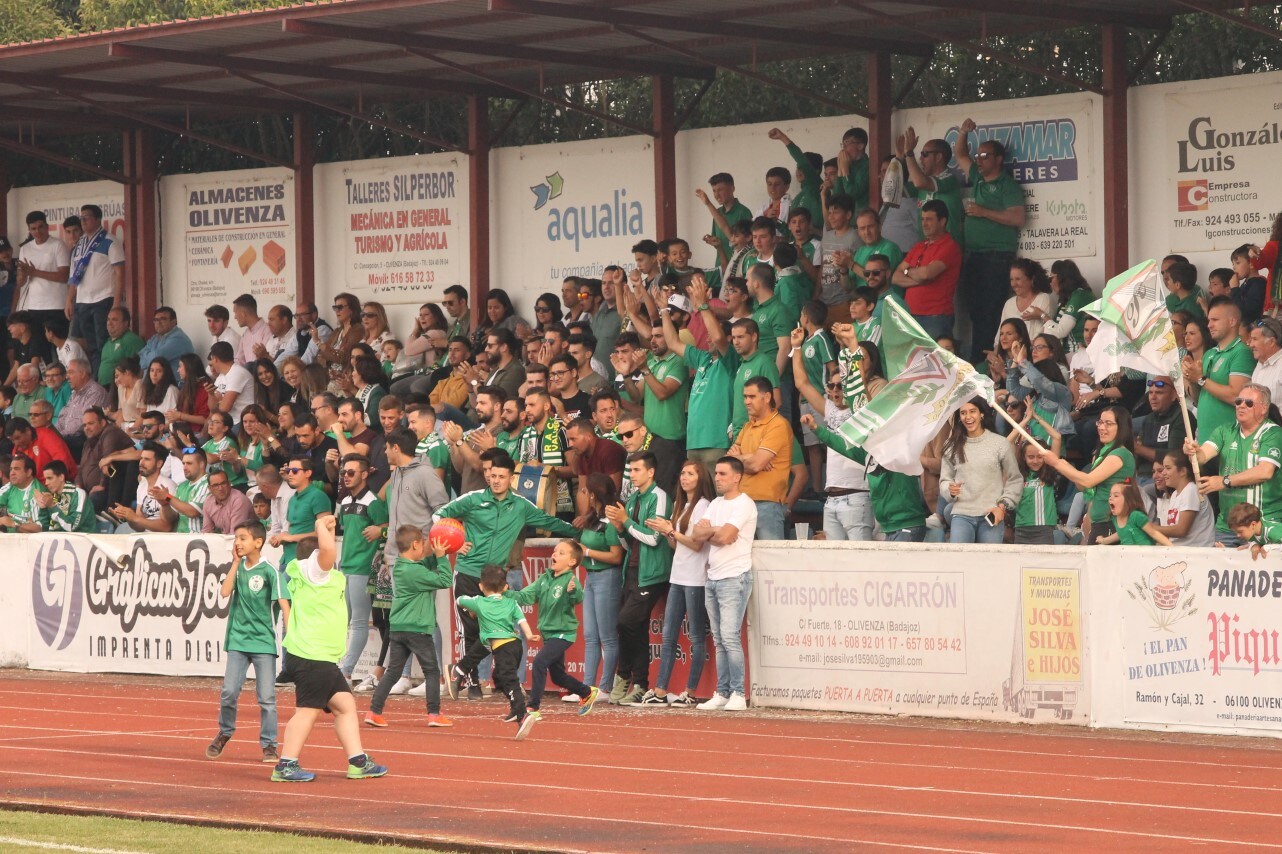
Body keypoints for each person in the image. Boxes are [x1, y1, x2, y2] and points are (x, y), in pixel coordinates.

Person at [438, 452, 578, 697]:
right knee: (470, 631)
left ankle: (461, 671)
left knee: (496, 631)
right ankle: (472, 684)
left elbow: (549, 521)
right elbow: (439, 516)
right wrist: (454, 544)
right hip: (468, 572)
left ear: (511, 478)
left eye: (501, 477)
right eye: (492, 475)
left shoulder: (521, 505)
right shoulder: (472, 499)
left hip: (495, 579)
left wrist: (582, 532)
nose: (496, 481)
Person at [272, 516, 387, 782]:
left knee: (345, 705)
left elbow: (327, 551)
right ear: (314, 556)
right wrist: (322, 529)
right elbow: (328, 552)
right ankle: (286, 765)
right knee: (307, 712)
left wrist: (327, 531)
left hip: (318, 656)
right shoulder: (317, 572)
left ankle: (358, 761)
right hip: (314, 655)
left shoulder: (311, 575)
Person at [206, 521, 288, 763]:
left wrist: (290, 635)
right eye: (236, 539)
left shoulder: (270, 571)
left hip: (263, 643)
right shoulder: (239, 568)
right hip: (238, 641)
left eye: (243, 538)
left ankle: (270, 745)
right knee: (229, 692)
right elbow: (224, 592)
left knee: (267, 698)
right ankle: (225, 731)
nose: (238, 543)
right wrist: (234, 563)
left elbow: (284, 604)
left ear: (258, 542)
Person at [363, 525, 454, 729]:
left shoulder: (404, 567)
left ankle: (374, 711)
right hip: (417, 628)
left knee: (393, 672)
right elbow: (446, 580)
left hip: (399, 628)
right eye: (422, 545)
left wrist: (435, 552)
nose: (424, 548)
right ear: (415, 544)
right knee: (432, 671)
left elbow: (424, 564)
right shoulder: (414, 571)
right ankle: (434, 714)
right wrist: (441, 558)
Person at [641, 460, 713, 706]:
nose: (684, 478)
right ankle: (661, 690)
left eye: (690, 474)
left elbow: (696, 544)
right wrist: (667, 531)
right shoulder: (681, 506)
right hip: (678, 575)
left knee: (695, 637)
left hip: (695, 578)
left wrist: (671, 531)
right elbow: (677, 545)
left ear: (700, 478)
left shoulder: (704, 506)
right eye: (682, 473)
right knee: (668, 635)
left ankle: (690, 692)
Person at [954, 120, 1027, 361]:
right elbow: (960, 153)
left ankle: (986, 364)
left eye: (985, 155)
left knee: (990, 314)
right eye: (979, 155)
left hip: (996, 257)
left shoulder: (1007, 185)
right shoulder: (976, 176)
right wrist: (963, 131)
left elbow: (1018, 217)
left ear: (998, 159)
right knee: (974, 314)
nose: (979, 159)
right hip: (973, 256)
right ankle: (979, 361)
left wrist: (984, 212)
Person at [604, 450, 672, 705]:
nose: (631, 475)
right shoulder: (632, 499)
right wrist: (621, 527)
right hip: (631, 570)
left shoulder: (660, 497)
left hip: (652, 572)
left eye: (636, 470)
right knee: (636, 626)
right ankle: (640, 682)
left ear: (650, 472)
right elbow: (627, 541)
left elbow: (655, 538)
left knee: (624, 622)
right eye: (630, 470)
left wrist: (626, 522)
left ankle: (624, 675)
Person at [690, 457, 756, 712]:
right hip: (713, 577)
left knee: (729, 637)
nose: (716, 477)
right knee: (719, 639)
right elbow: (697, 535)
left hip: (734, 576)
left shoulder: (745, 504)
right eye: (716, 473)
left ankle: (739, 693)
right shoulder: (716, 503)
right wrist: (714, 533)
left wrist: (711, 532)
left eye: (722, 473)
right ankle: (723, 691)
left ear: (737, 476)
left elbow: (728, 537)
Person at [1183, 382, 1282, 547]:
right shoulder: (1224, 431)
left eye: (1248, 403)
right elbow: (1202, 456)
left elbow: (1265, 471)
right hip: (1228, 527)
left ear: (1264, 408)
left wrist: (1223, 481)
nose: (1241, 406)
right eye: (1238, 401)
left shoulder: (1274, 433)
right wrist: (1192, 450)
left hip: (1261, 526)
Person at [513, 538, 601, 718]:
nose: (555, 554)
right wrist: (503, 593)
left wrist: (572, 591)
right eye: (555, 551)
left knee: (539, 662)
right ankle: (586, 692)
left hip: (564, 633)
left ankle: (533, 707)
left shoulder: (570, 580)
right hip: (549, 634)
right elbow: (524, 596)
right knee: (558, 676)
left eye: (561, 553)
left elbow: (577, 597)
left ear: (572, 562)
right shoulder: (544, 579)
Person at [456, 564, 541, 740]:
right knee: (499, 678)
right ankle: (513, 708)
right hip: (516, 646)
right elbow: (522, 619)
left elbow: (459, 599)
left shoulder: (479, 602)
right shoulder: (511, 602)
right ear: (506, 587)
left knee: (510, 682)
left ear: (480, 586)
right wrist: (530, 635)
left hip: (502, 649)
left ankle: (522, 714)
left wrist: (470, 608)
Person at [1042, 405, 1136, 544]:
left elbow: (1088, 481)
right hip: (1098, 523)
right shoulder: (1101, 454)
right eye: (1100, 422)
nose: (1101, 427)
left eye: (1108, 423)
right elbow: (1083, 486)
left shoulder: (1120, 454)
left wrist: (1057, 463)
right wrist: (1064, 465)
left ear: (1121, 427)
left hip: (1112, 524)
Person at [335, 454, 389, 682]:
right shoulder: (345, 503)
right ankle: (341, 668)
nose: (345, 477)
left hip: (362, 569)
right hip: (345, 567)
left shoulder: (374, 503)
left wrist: (381, 532)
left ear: (365, 474)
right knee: (342, 621)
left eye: (351, 472)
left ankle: (346, 671)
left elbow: (387, 528)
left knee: (358, 622)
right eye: (343, 473)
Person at [938, 399, 1022, 543]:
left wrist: (1002, 507)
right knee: (959, 563)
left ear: (981, 414)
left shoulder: (1000, 443)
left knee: (989, 564)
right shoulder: (951, 445)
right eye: (963, 413)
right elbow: (945, 480)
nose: (968, 417)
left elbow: (1015, 479)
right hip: (961, 514)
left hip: (991, 514)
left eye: (972, 411)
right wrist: (949, 489)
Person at [576, 473, 625, 701]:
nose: (583, 495)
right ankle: (587, 688)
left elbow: (616, 556)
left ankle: (604, 688)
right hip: (591, 577)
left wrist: (586, 552)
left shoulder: (610, 522)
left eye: (585, 491)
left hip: (607, 577)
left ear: (593, 494)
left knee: (607, 636)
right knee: (590, 635)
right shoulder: (592, 518)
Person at [728, 377, 793, 540]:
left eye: (752, 396)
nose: (747, 402)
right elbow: (728, 464)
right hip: (741, 503)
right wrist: (750, 456)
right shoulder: (747, 426)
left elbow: (756, 465)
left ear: (767, 397)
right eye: (745, 397)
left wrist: (742, 459)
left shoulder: (778, 424)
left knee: (771, 562)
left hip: (767, 505)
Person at [1185, 296, 1255, 443]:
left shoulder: (1241, 352)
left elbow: (1237, 397)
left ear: (1232, 321)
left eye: (1215, 320)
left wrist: (1201, 379)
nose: (1209, 325)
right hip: (1205, 438)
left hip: (1229, 442)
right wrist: (1192, 378)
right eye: (1209, 320)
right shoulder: (1209, 354)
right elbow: (1199, 399)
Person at [271, 456, 334, 570]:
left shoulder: (318, 496)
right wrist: (280, 539)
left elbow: (326, 535)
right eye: (288, 471)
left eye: (295, 471)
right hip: (287, 559)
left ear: (308, 473)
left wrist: (290, 538)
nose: (290, 474)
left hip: (306, 561)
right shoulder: (292, 499)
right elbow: (292, 530)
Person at [1152, 451, 1215, 548]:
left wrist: (1150, 528)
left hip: (1197, 555)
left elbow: (1181, 530)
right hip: (1181, 553)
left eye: (1168, 468)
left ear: (1183, 471)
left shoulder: (1191, 489)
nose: (1164, 473)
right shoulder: (1174, 495)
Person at [1096, 482, 1172, 546]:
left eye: (1116, 495)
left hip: (1145, 557)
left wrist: (1173, 548)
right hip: (1129, 558)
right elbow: (1122, 533)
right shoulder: (1115, 519)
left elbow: (1154, 533)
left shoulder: (1136, 516)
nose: (1110, 498)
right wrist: (1104, 541)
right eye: (1110, 495)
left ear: (1128, 500)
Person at [37, 460, 95, 532]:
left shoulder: (78, 494)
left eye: (49, 478)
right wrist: (43, 509)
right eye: (45, 479)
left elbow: (72, 526)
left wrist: (53, 506)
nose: (46, 483)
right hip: (56, 540)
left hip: (80, 541)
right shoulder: (53, 497)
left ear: (61, 477)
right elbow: (45, 529)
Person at [137, 306, 194, 377]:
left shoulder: (179, 338)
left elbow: (156, 359)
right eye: (156, 320)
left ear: (174, 321)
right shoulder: (155, 337)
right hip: (156, 383)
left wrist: (146, 356)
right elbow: (140, 355)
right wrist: (148, 358)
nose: (158, 323)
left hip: (174, 384)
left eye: (163, 319)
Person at [98, 306, 144, 389]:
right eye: (108, 319)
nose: (109, 323)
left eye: (114, 320)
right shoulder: (107, 343)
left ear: (125, 323)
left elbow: (138, 368)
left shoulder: (131, 340)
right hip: (104, 388)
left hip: (120, 388)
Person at [0, 456, 48, 533]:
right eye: (11, 469)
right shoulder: (10, 487)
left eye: (16, 469)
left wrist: (13, 524)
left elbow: (39, 528)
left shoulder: (38, 493)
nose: (12, 473)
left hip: (31, 542)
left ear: (28, 472)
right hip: (11, 539)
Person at [201, 469, 253, 535]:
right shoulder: (208, 501)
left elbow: (235, 534)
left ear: (229, 484)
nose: (220, 488)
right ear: (210, 489)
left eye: (223, 483)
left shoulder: (239, 500)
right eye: (216, 485)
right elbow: (207, 531)